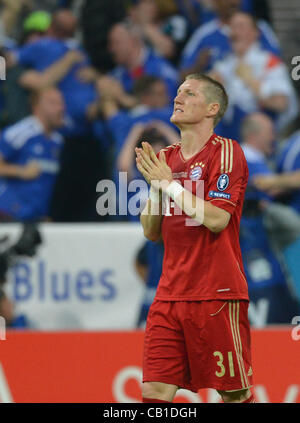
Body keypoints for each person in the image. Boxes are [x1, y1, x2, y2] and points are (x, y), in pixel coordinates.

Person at [135, 73, 254, 403]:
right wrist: (158, 187)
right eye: (177, 92)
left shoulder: (227, 152)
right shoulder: (166, 159)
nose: (178, 97)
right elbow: (150, 230)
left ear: (212, 108)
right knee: (154, 391)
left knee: (233, 393)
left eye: (189, 93)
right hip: (169, 294)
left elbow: (217, 220)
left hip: (216, 293)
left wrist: (170, 184)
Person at [240, 113, 300, 325]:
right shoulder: (244, 158)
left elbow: (269, 186)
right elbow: (262, 189)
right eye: (269, 133)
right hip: (255, 239)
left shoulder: (258, 159)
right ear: (254, 134)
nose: (273, 138)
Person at [210, 12, 298, 140]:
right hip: (227, 138)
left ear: (255, 33)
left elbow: (281, 103)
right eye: (232, 27)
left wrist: (251, 81)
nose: (235, 32)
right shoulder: (223, 65)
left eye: (240, 27)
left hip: (258, 138)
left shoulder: (269, 63)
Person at [0, 87, 64, 221]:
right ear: (36, 106)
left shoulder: (58, 140)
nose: (61, 108)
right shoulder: (20, 133)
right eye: (53, 103)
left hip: (34, 217)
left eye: (62, 103)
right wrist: (21, 171)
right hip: (8, 214)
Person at [179, 0, 281, 77]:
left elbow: (277, 63)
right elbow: (183, 76)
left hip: (258, 93)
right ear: (215, 4)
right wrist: (199, 66)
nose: (233, 2)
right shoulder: (203, 34)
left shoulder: (259, 27)